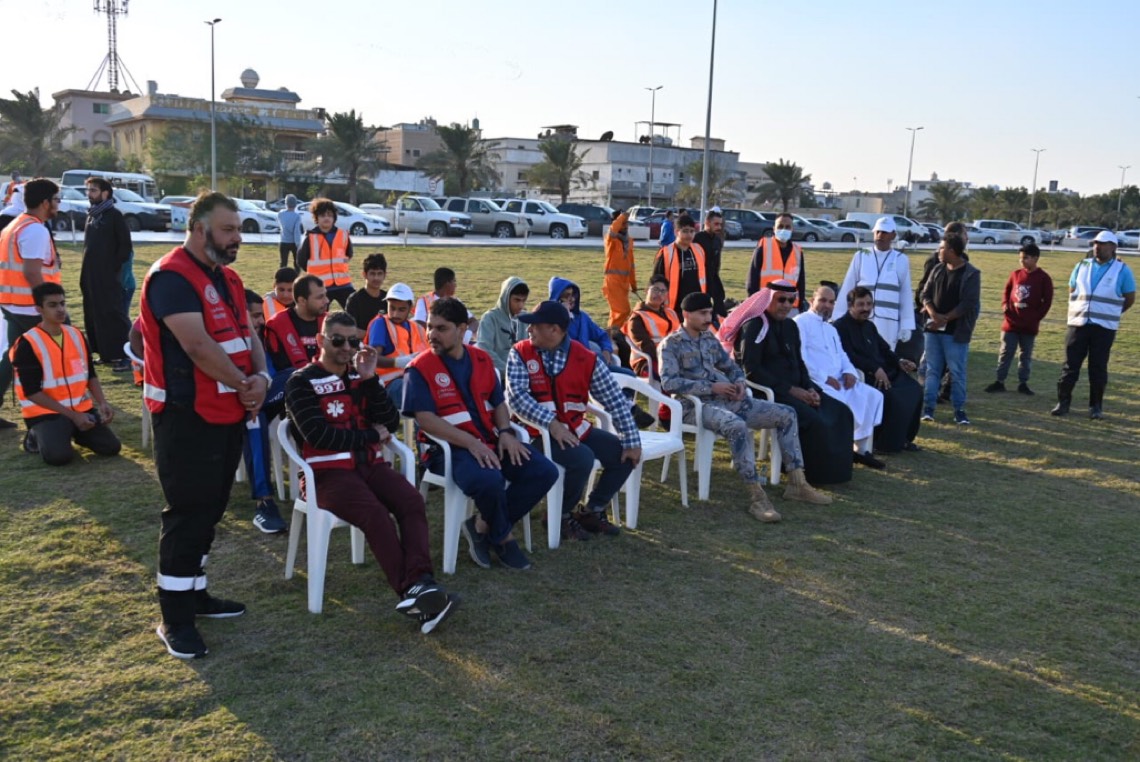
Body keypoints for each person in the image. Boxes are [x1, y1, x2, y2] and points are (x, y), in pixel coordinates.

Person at [140, 191, 269, 660]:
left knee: (211, 508)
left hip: (228, 410)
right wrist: (243, 383)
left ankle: (194, 593)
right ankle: (174, 619)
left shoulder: (228, 278)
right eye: (228, 229)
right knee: (187, 513)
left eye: (239, 229)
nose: (238, 238)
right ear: (199, 229)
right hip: (186, 416)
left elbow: (248, 334)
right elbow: (196, 346)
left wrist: (262, 378)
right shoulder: (171, 277)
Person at [285, 311, 459, 633]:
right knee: (375, 514)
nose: (346, 348)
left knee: (411, 501)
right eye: (338, 340)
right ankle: (412, 591)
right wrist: (368, 436)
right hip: (327, 474)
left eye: (353, 341)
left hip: (370, 466)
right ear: (321, 340)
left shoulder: (360, 376)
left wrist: (369, 379)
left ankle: (421, 583)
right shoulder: (301, 382)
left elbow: (389, 421)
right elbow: (317, 435)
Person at [404, 297, 558, 570]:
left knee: (544, 471)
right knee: (489, 481)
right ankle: (504, 538)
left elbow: (498, 403)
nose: (432, 335)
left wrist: (506, 432)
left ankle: (482, 525)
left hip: (489, 441)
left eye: (441, 328)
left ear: (462, 329)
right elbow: (425, 419)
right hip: (447, 450)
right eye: (429, 327)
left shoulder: (481, 359)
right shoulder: (419, 369)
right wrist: (471, 443)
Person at [659, 291, 831, 522]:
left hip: (727, 400)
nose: (709, 318)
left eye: (710, 313)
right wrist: (712, 387)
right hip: (694, 407)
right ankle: (756, 496)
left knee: (787, 414)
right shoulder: (671, 344)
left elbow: (731, 367)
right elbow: (669, 383)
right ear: (686, 314)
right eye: (703, 313)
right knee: (737, 426)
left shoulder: (708, 339)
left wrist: (739, 383)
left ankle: (797, 483)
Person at [506, 300, 642, 540]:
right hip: (534, 434)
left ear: (555, 330)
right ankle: (560, 516)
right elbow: (517, 398)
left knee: (624, 454)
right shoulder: (520, 352)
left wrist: (632, 441)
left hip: (576, 429)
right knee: (582, 458)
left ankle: (592, 511)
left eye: (535, 325)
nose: (529, 330)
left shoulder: (586, 358)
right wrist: (552, 424)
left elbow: (615, 400)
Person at [740, 281, 854, 485]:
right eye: (781, 299)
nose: (786, 305)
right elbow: (752, 370)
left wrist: (811, 388)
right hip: (769, 392)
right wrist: (792, 390)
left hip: (798, 389)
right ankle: (809, 474)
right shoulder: (755, 325)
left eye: (790, 300)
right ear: (768, 299)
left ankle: (835, 471)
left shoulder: (791, 326)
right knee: (814, 420)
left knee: (841, 412)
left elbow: (799, 363)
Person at [11, 283, 121, 464]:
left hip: (80, 409)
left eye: (62, 303)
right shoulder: (28, 343)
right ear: (39, 309)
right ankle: (34, 436)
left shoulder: (76, 334)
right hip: (45, 413)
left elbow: (90, 374)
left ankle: (71, 431)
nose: (60, 309)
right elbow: (32, 392)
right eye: (52, 305)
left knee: (111, 447)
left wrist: (102, 402)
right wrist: (73, 416)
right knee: (59, 457)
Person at [794, 284, 885, 469]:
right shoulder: (800, 322)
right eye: (822, 300)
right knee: (841, 405)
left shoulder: (831, 328)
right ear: (812, 301)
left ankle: (861, 449)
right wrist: (824, 378)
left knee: (873, 395)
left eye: (831, 302)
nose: (827, 305)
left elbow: (842, 355)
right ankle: (841, 450)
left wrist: (849, 372)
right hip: (818, 383)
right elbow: (800, 357)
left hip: (840, 380)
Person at [549, 275, 655, 428]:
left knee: (628, 374)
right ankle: (627, 411)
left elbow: (601, 335)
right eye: (566, 296)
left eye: (573, 295)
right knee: (602, 369)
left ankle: (622, 410)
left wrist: (606, 350)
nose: (571, 299)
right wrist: (563, 317)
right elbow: (560, 344)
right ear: (556, 298)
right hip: (570, 369)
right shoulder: (552, 323)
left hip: (594, 365)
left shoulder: (582, 317)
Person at [0, 178, 63, 430]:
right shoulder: (35, 229)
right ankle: (58, 409)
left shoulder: (16, 224)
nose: (59, 204)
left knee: (12, 357)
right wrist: (47, 306)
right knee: (57, 354)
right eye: (56, 199)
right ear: (45, 202)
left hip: (13, 303)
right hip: (30, 306)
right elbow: (31, 271)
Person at [1052, 230, 1135, 419]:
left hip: (1104, 327)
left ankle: (1095, 407)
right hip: (1078, 324)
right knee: (1070, 366)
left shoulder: (1122, 270)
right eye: (1096, 243)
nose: (1097, 247)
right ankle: (1063, 403)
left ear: (1113, 247)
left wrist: (1112, 311)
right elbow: (1072, 289)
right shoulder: (1081, 265)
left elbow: (1129, 298)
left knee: (1097, 368)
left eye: (1103, 244)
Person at [833, 287, 923, 453]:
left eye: (869, 304)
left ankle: (904, 439)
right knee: (893, 396)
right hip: (864, 375)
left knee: (914, 389)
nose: (866, 308)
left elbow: (885, 350)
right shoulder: (840, 327)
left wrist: (899, 361)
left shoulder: (869, 326)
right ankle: (884, 443)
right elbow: (848, 356)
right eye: (861, 304)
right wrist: (875, 369)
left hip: (886, 372)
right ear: (850, 305)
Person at [919, 233, 981, 425]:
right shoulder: (937, 269)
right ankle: (928, 409)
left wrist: (944, 319)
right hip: (933, 331)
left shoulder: (971, 274)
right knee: (932, 371)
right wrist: (933, 315)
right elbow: (925, 294)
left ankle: (959, 411)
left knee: (957, 372)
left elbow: (968, 304)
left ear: (952, 251)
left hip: (955, 333)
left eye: (942, 248)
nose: (939, 251)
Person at [240, 289, 287, 535]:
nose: (261, 321)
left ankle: (323, 479)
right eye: (256, 316)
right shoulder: (226, 338)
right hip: (241, 405)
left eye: (262, 315)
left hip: (266, 399)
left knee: (297, 378)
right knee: (254, 421)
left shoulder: (265, 336)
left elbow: (271, 375)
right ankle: (264, 502)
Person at [834, 217, 915, 351]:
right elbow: (848, 286)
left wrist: (906, 324)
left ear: (893, 235)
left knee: (885, 355)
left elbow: (905, 293)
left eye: (884, 232)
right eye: (877, 232)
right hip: (862, 317)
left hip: (888, 321)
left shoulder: (901, 259)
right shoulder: (861, 255)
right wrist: (838, 316)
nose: (880, 235)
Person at [984, 242, 1054, 395]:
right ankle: (999, 381)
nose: (1022, 261)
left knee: (1025, 355)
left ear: (1035, 258)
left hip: (1029, 325)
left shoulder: (1043, 278)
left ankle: (1023, 383)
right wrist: (1005, 305)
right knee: (1005, 353)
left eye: (1025, 258)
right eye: (1020, 258)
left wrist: (1036, 318)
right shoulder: (1015, 274)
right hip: (1011, 323)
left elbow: (1047, 301)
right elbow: (1007, 290)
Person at [80, 177, 133, 371]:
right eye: (88, 190)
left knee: (114, 315)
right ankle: (106, 353)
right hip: (91, 276)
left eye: (93, 190)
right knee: (94, 314)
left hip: (109, 277)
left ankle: (128, 355)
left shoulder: (114, 216)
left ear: (105, 193)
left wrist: (112, 269)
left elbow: (125, 247)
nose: (89, 194)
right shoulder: (92, 215)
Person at [262, 274, 329, 404]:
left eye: (325, 295)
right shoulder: (276, 324)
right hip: (292, 392)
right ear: (302, 300)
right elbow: (279, 369)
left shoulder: (331, 322)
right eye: (320, 297)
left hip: (328, 387)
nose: (326, 300)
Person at [366, 282, 427, 407]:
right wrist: (400, 362)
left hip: (411, 379)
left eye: (401, 309)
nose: (395, 314)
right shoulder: (380, 324)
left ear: (410, 308)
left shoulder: (417, 328)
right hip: (387, 384)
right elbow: (373, 358)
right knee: (419, 392)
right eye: (392, 308)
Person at [297, 198, 353, 308]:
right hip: (320, 286)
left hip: (343, 284)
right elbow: (301, 260)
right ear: (316, 218)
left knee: (354, 310)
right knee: (318, 314)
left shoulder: (343, 234)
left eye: (330, 215)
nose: (326, 218)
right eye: (322, 215)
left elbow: (349, 254)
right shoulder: (310, 237)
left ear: (334, 218)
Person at [621, 274, 679, 379]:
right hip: (647, 362)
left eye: (663, 291)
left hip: (673, 358)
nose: (659, 294)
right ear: (646, 290)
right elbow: (646, 347)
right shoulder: (637, 318)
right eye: (655, 290)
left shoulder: (671, 313)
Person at [746, 213, 805, 309]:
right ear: (774, 229)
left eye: (787, 227)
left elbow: (801, 282)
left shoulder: (797, 251)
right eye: (780, 226)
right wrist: (753, 303)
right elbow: (753, 278)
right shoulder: (764, 246)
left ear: (792, 229)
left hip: (789, 305)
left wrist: (800, 304)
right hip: (766, 304)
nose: (784, 229)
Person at [651, 214, 708, 314]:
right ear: (676, 232)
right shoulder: (666, 253)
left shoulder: (699, 250)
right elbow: (656, 281)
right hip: (674, 307)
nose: (689, 235)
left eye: (692, 231)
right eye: (685, 231)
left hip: (696, 305)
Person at [476, 276, 529, 375]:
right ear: (506, 297)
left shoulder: (525, 318)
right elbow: (484, 349)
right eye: (517, 300)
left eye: (524, 300)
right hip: (498, 375)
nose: (521, 305)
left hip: (523, 374)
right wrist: (508, 371)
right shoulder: (490, 318)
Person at [414, 267, 478, 342]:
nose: (455, 285)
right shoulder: (423, 301)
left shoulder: (456, 301)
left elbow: (473, 322)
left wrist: (467, 334)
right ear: (447, 283)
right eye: (454, 281)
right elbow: (419, 325)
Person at [602, 210, 638, 328]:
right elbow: (613, 230)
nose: (626, 225)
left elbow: (631, 265)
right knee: (624, 310)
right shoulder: (611, 240)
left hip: (624, 284)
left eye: (627, 223)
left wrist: (634, 285)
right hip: (613, 282)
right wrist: (622, 216)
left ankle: (613, 334)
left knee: (617, 313)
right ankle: (613, 333)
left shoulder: (629, 241)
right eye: (623, 223)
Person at [693, 207, 728, 319]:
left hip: (713, 277)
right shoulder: (697, 239)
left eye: (720, 224)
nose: (719, 227)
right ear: (707, 223)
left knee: (720, 306)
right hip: (700, 280)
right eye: (716, 224)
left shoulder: (717, 240)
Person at [344, 252, 388, 339]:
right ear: (364, 274)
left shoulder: (388, 299)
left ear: (385, 275)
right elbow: (350, 330)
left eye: (379, 273)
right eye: (372, 273)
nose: (376, 278)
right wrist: (376, 335)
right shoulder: (354, 300)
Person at [276, 194, 304, 269]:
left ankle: (282, 275)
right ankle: (296, 275)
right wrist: (298, 244)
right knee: (296, 262)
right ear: (295, 204)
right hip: (293, 242)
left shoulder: (281, 214)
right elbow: (296, 231)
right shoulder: (297, 216)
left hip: (283, 241)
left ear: (286, 204)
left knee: (283, 262)